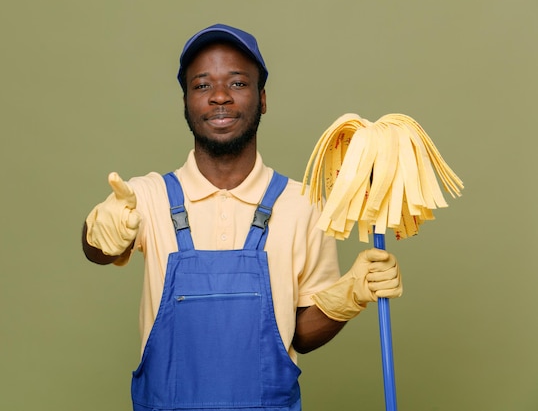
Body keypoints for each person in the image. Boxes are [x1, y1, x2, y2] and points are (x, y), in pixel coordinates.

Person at [81, 23, 403, 411]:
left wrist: (349, 295)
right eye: (202, 86)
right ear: (186, 102)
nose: (219, 97)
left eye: (237, 84)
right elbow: (96, 249)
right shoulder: (147, 197)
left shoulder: (302, 203)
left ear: (262, 98)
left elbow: (300, 335)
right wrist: (98, 235)